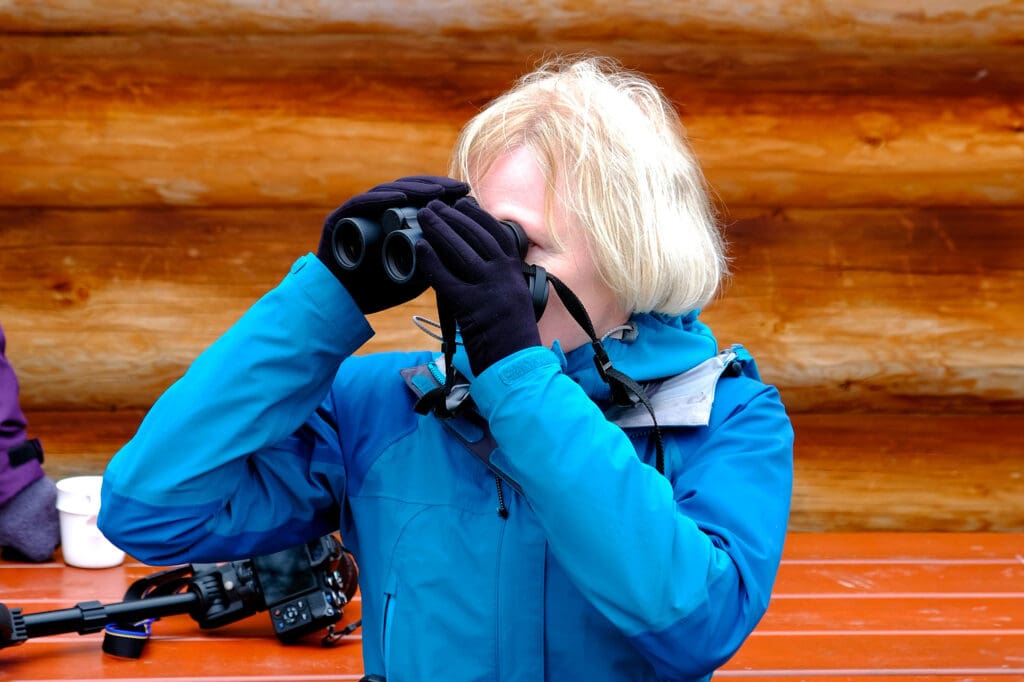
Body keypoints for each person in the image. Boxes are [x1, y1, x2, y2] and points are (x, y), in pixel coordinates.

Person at [100, 55, 793, 681]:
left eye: (517, 247)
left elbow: (697, 624)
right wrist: (323, 302)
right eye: (471, 234)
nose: (476, 271)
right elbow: (149, 512)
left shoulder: (726, 415)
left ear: (630, 255)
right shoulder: (385, 406)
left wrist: (519, 378)